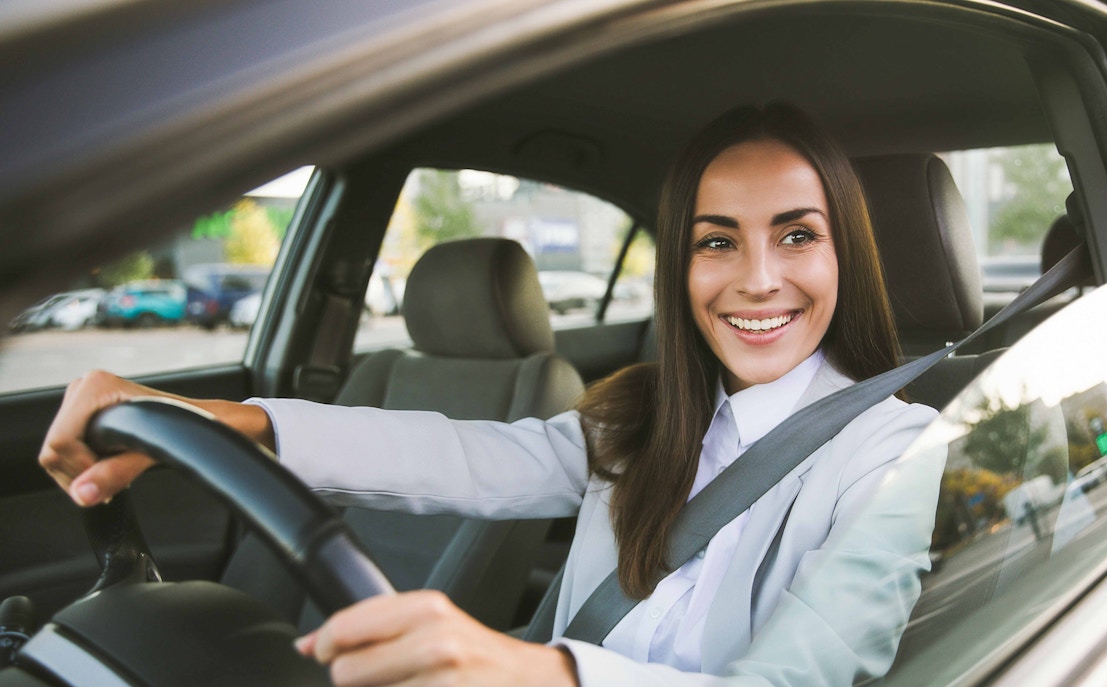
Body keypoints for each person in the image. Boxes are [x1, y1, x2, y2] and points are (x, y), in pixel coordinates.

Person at [39, 103, 942, 686]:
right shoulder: (641, 417)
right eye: (716, 242)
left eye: (795, 235)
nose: (755, 278)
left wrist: (536, 670)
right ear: (681, 265)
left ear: (843, 255)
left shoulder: (893, 450)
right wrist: (231, 421)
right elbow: (458, 457)